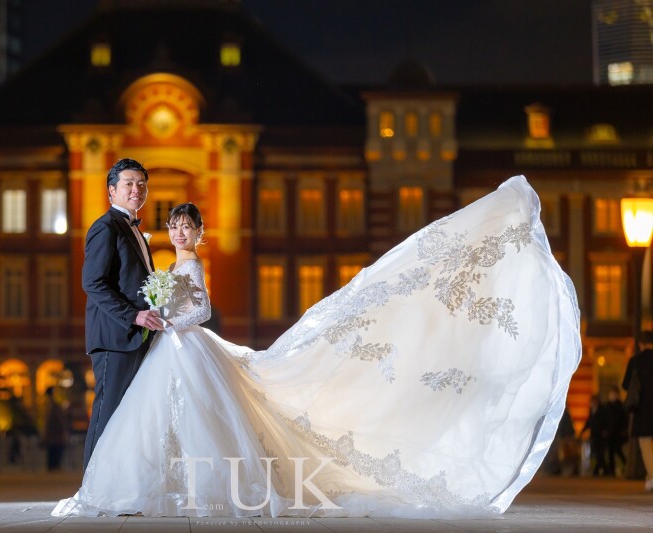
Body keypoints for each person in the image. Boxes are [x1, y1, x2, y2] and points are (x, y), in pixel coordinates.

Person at [54, 176, 581, 518]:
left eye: (186, 226)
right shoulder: (136, 241)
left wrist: (167, 317)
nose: (179, 231)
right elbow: (110, 286)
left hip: (178, 341)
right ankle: (129, 486)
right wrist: (158, 314)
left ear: (198, 233)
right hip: (161, 342)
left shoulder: (187, 264)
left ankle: (152, 488)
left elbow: (201, 310)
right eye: (175, 225)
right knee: (147, 414)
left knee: (188, 415)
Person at [81, 158, 164, 470]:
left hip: (134, 337)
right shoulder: (105, 227)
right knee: (107, 413)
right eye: (128, 183)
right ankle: (91, 488)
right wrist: (134, 316)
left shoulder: (132, 230)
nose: (136, 189)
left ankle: (114, 486)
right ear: (111, 191)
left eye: (141, 184)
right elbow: (92, 283)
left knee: (126, 416)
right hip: (115, 337)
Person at [623, 331, 653, 491]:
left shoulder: (635, 362)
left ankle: (652, 476)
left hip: (643, 409)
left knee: (645, 442)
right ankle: (650, 476)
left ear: (641, 344)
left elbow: (626, 384)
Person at [579, 394, 609, 476]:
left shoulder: (602, 410)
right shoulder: (591, 410)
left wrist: (605, 430)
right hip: (594, 435)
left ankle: (597, 470)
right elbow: (589, 422)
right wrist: (582, 431)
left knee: (600, 453)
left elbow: (606, 421)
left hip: (601, 435)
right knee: (597, 453)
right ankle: (605, 470)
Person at [43, 386, 69, 471]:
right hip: (54, 435)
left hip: (54, 435)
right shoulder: (52, 406)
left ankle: (54, 468)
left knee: (54, 453)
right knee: (53, 453)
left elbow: (59, 420)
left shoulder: (52, 406)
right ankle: (54, 469)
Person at [604, 385, 627, 476]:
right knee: (610, 452)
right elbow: (605, 419)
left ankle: (625, 463)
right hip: (609, 433)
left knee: (617, 449)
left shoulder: (621, 406)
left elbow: (624, 419)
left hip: (618, 432)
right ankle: (611, 470)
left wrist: (624, 430)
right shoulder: (607, 406)